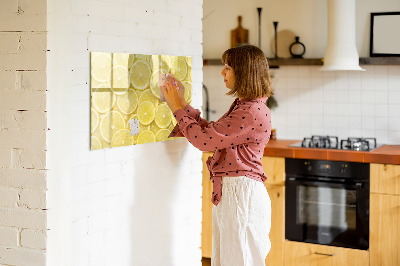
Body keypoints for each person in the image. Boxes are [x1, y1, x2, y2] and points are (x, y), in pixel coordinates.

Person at [161, 44, 273, 266]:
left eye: (228, 67)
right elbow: (212, 133)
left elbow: (204, 141)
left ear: (244, 72)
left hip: (241, 195)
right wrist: (182, 103)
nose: (222, 72)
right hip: (236, 193)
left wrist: (176, 107)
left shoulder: (250, 111)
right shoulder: (246, 106)